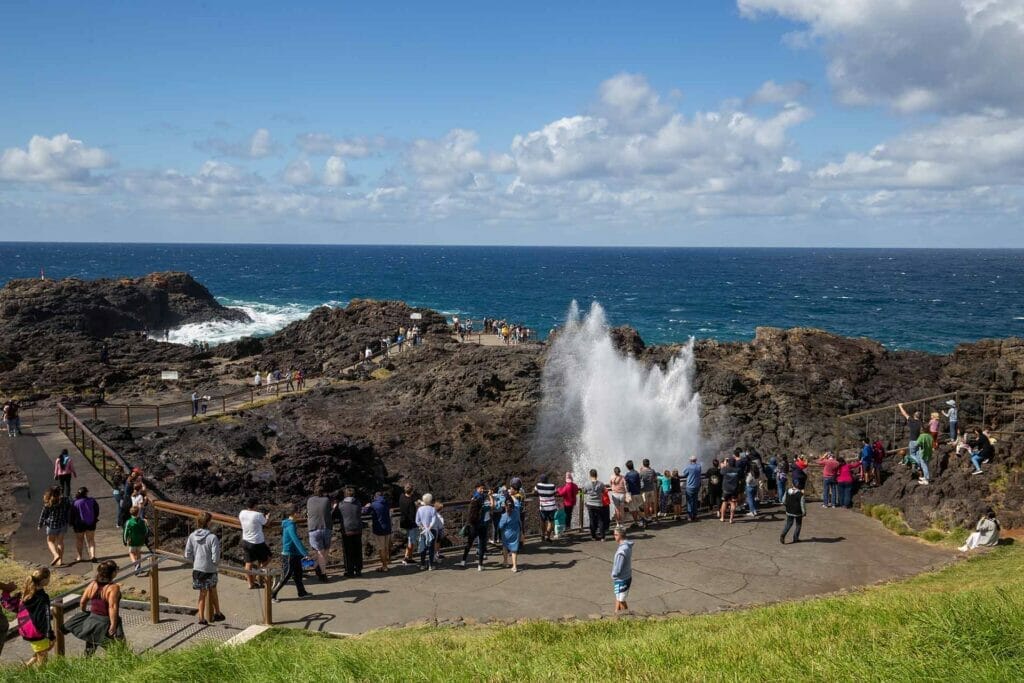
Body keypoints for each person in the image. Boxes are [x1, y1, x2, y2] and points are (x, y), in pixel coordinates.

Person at [1, 569, 54, 666]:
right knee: (43, 658)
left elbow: (8, 604)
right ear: (44, 581)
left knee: (41, 650)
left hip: (26, 630)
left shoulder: (24, 594)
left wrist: (5, 592)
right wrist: (50, 635)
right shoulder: (43, 598)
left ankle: (26, 667)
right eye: (49, 578)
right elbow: (44, 618)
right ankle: (39, 677)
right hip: (37, 631)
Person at [185, 512, 224, 624]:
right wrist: (215, 564)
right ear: (208, 522)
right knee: (213, 589)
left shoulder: (192, 536)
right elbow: (215, 556)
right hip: (210, 569)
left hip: (197, 569)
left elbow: (187, 554)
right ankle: (217, 612)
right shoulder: (212, 537)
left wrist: (195, 561)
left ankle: (202, 617)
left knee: (202, 593)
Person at [272, 504, 311, 602]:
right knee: (286, 575)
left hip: (295, 553)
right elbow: (295, 540)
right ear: (294, 513)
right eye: (298, 512)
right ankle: (272, 594)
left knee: (298, 574)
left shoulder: (290, 523)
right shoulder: (290, 525)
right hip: (289, 554)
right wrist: (305, 553)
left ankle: (302, 592)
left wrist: (301, 553)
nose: (300, 514)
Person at [239, 500, 271, 589]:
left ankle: (250, 583)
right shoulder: (258, 515)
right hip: (257, 542)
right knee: (268, 558)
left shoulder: (242, 513)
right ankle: (256, 574)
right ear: (255, 505)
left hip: (246, 540)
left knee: (248, 563)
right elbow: (267, 524)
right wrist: (267, 517)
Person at [306, 486, 333, 582]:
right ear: (323, 493)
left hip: (313, 529)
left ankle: (318, 568)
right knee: (324, 553)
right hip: (326, 528)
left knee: (319, 552)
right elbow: (329, 511)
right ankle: (323, 574)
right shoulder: (326, 500)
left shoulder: (309, 500)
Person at [461, 483, 490, 570]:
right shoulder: (482, 501)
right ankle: (480, 565)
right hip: (481, 524)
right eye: (481, 488)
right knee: (481, 544)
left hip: (473, 524)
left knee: (469, 543)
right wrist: (489, 496)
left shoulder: (474, 498)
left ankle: (463, 560)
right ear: (477, 488)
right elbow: (490, 505)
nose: (482, 490)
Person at [898, 403, 930, 484]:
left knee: (912, 454)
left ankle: (917, 464)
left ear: (914, 416)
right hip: (920, 441)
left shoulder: (911, 421)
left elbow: (904, 413)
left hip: (913, 441)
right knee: (919, 455)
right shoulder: (921, 423)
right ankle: (920, 468)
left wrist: (900, 406)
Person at [38, 485, 70, 567]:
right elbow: (69, 508)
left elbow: (43, 514)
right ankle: (60, 561)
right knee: (60, 542)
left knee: (50, 541)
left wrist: (40, 524)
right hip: (62, 524)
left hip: (52, 525)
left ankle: (55, 555)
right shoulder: (65, 500)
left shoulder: (48, 502)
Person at [338, 488, 364, 577]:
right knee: (358, 550)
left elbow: (335, 514)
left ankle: (349, 571)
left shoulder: (341, 505)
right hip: (357, 529)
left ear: (345, 495)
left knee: (348, 552)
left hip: (347, 530)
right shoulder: (358, 503)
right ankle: (358, 570)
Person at [364, 491, 392, 572]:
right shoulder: (387, 503)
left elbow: (364, 512)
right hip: (388, 528)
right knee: (386, 546)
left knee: (381, 548)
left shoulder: (374, 505)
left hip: (379, 529)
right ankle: (387, 561)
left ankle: (384, 566)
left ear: (375, 497)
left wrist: (366, 506)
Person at [71, 486, 99, 563]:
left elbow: (72, 514)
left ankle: (79, 557)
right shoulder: (92, 500)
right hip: (91, 523)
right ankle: (92, 555)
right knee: (91, 540)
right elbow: (96, 511)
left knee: (79, 540)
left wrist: (72, 523)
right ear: (86, 493)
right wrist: (94, 518)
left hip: (79, 524)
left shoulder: (75, 502)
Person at [610, 526, 633, 613]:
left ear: (620, 535)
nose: (614, 537)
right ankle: (616, 614)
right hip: (624, 577)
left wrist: (613, 574)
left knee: (621, 600)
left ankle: (628, 615)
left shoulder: (621, 551)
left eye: (615, 535)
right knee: (618, 598)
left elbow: (618, 568)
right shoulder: (627, 546)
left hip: (622, 579)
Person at [122, 505, 148, 574]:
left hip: (132, 540)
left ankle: (136, 564)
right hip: (140, 540)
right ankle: (139, 566)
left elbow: (125, 532)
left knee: (131, 553)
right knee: (138, 553)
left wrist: (124, 541)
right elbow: (146, 531)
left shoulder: (129, 522)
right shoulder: (142, 521)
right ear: (138, 513)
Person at [582, 469, 607, 541]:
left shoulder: (587, 483)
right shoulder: (601, 484)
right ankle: (602, 537)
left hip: (590, 504)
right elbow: (604, 491)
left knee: (592, 520)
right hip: (599, 504)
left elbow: (583, 491)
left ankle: (593, 536)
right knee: (600, 520)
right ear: (597, 475)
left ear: (590, 475)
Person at [416, 493, 439, 570]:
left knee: (423, 548)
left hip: (423, 531)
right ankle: (430, 565)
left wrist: (422, 527)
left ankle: (422, 564)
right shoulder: (433, 509)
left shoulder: (420, 509)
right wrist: (429, 527)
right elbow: (434, 520)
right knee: (431, 548)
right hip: (431, 530)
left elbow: (417, 521)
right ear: (430, 500)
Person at [498, 498, 521, 572]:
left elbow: (500, 526)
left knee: (505, 547)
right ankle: (514, 566)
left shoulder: (504, 516)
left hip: (506, 533)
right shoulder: (517, 512)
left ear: (505, 506)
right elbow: (517, 503)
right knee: (514, 550)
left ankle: (505, 561)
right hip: (516, 532)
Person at [534, 474, 559, 542]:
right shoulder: (552, 486)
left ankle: (542, 535)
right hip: (552, 507)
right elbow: (556, 493)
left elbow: (534, 492)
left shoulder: (538, 485)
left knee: (543, 521)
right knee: (551, 521)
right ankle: (548, 536)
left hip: (543, 507)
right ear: (547, 480)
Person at [399, 483, 419, 566]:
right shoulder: (410, 502)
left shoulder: (401, 497)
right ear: (412, 491)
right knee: (411, 541)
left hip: (403, 522)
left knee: (409, 540)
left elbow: (411, 497)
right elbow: (412, 514)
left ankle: (408, 557)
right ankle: (407, 558)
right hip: (411, 523)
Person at [623, 460, 643, 528]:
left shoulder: (627, 475)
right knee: (638, 508)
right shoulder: (637, 473)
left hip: (632, 493)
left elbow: (624, 483)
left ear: (627, 467)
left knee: (633, 509)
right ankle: (643, 519)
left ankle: (637, 522)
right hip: (638, 492)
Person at [719, 458, 740, 523]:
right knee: (733, 503)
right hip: (734, 489)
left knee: (724, 502)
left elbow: (721, 472)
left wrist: (725, 464)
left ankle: (722, 518)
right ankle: (731, 519)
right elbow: (741, 476)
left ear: (728, 463)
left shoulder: (725, 469)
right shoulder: (738, 470)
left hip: (726, 489)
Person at [638, 458, 657, 525]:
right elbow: (655, 478)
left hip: (644, 490)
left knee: (645, 504)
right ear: (649, 464)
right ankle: (651, 517)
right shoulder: (652, 470)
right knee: (651, 504)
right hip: (651, 489)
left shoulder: (642, 472)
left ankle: (646, 517)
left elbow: (639, 479)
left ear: (643, 464)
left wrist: (641, 470)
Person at [682, 456, 702, 522]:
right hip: (696, 486)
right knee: (695, 501)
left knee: (689, 501)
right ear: (696, 460)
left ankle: (690, 516)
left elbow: (684, 474)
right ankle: (695, 515)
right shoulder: (699, 466)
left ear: (690, 460)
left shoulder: (688, 467)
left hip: (690, 486)